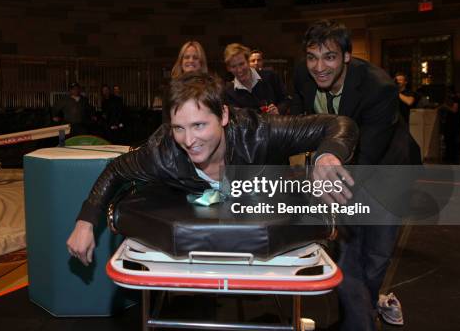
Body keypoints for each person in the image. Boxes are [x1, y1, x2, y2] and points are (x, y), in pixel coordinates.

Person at [67, 71, 359, 266]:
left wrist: (327, 157)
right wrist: (85, 221)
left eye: (199, 125)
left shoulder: (259, 131)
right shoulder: (163, 153)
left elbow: (339, 124)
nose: (189, 140)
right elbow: (116, 169)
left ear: (223, 115)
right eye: (179, 128)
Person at [291, 19, 421, 331]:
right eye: (312, 57)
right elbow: (297, 122)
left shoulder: (380, 87)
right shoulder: (301, 75)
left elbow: (368, 153)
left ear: (347, 56)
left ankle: (366, 306)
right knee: (348, 252)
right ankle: (359, 322)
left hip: (387, 171)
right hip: (343, 167)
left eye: (330, 57)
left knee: (375, 256)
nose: (319, 67)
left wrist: (325, 177)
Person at [223, 43, 290, 115]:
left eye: (241, 64)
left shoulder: (270, 77)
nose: (239, 70)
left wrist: (278, 110)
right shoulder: (229, 92)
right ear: (228, 68)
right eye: (233, 66)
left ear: (248, 62)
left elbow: (286, 99)